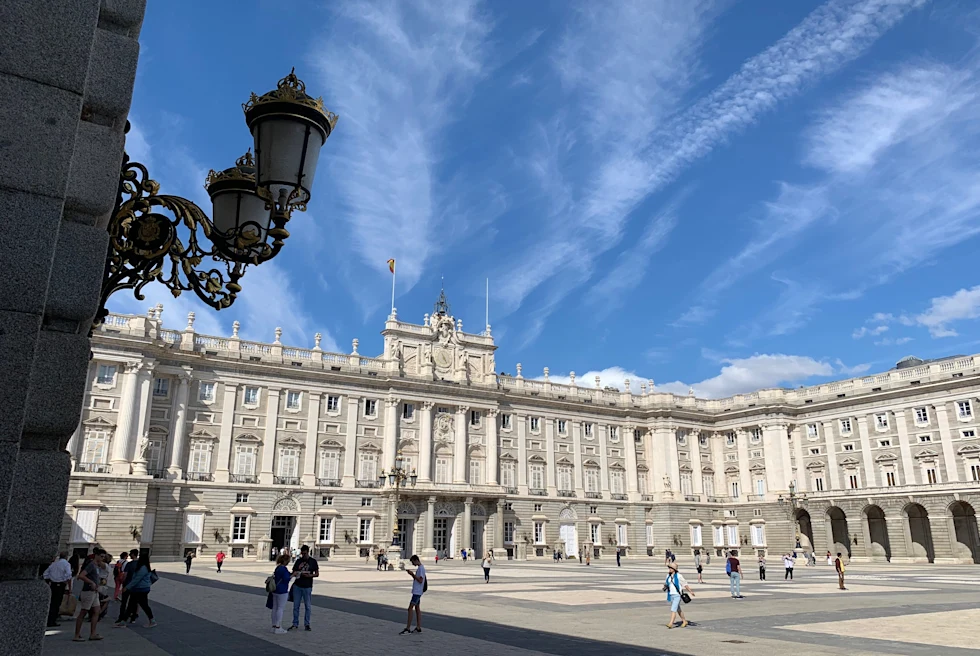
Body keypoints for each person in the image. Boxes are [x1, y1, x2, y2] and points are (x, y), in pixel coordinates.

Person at [118, 551, 156, 628]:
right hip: (140, 589)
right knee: (135, 605)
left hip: (140, 589)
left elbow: (136, 579)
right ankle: (124, 621)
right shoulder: (145, 567)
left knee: (141, 605)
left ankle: (152, 620)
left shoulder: (143, 568)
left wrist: (127, 587)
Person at [73, 550, 104, 642]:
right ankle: (77, 635)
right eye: (101, 556)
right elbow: (81, 576)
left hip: (95, 592)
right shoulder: (91, 564)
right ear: (96, 556)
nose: (103, 558)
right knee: (83, 612)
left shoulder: (97, 566)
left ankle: (93, 634)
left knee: (97, 611)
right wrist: (91, 582)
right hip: (88, 591)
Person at [289, 545, 319, 631]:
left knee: (308, 606)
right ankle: (295, 623)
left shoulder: (313, 561)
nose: (303, 555)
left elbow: (317, 574)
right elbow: (294, 571)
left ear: (308, 552)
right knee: (296, 606)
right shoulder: (298, 561)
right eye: (302, 554)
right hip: (297, 585)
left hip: (307, 586)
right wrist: (296, 573)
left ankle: (307, 624)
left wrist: (310, 575)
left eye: (304, 553)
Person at [42, 551, 72, 628]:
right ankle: (53, 620)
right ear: (66, 557)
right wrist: (65, 581)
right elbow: (69, 575)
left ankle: (48, 619)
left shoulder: (54, 564)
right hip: (60, 584)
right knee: (57, 603)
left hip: (53, 584)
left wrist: (49, 580)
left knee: (51, 602)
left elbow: (45, 574)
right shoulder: (66, 564)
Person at [400, 555, 426, 635]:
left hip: (417, 592)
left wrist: (412, 574)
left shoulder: (421, 568)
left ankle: (408, 628)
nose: (413, 564)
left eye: (413, 562)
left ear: (416, 560)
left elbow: (420, 580)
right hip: (417, 591)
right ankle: (418, 627)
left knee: (410, 608)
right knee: (417, 608)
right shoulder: (420, 568)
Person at [114, 549, 141, 625]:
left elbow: (125, 575)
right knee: (134, 602)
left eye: (130, 553)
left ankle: (121, 617)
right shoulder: (140, 564)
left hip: (127, 584)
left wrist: (123, 583)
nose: (129, 555)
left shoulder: (129, 564)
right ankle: (133, 618)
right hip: (136, 586)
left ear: (133, 554)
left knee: (124, 602)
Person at [664, 562, 694, 629]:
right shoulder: (668, 576)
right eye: (669, 568)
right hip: (671, 594)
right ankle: (684, 621)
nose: (669, 569)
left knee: (673, 609)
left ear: (674, 569)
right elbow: (667, 583)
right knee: (678, 609)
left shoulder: (679, 576)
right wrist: (665, 586)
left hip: (677, 594)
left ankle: (671, 623)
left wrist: (690, 591)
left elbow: (685, 584)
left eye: (671, 568)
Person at [269, 553, 291, 634]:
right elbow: (286, 579)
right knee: (280, 608)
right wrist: (293, 575)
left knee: (275, 608)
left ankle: (273, 626)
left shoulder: (278, 567)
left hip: (275, 589)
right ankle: (278, 627)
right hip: (282, 590)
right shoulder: (283, 569)